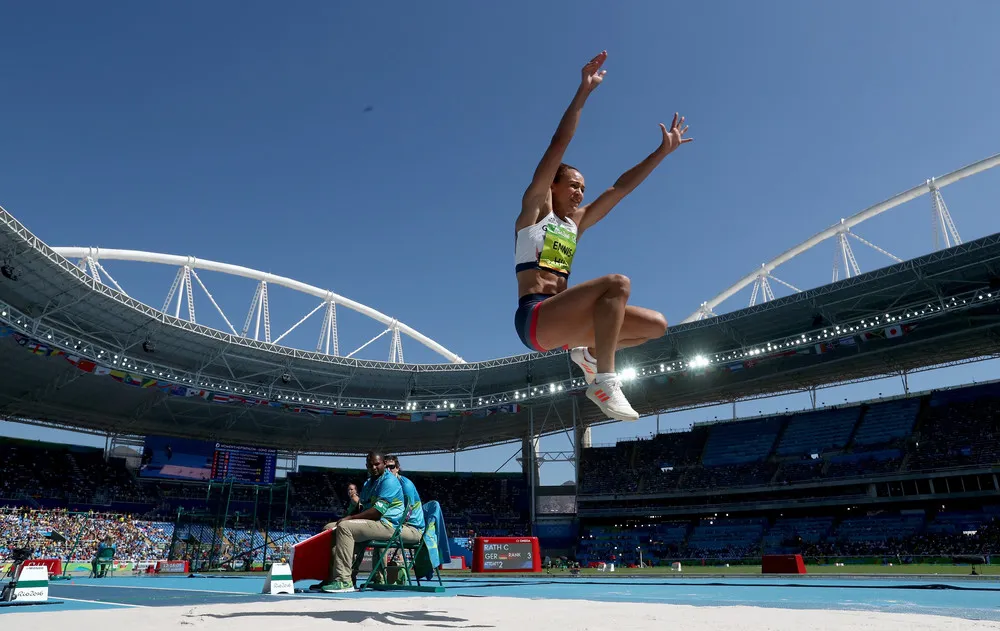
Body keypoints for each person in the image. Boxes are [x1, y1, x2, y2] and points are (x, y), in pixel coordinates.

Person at [513, 50, 691, 421]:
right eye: (573, 185)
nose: (580, 193)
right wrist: (584, 92)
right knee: (617, 284)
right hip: (536, 318)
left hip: (567, 321)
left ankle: (590, 355)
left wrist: (661, 153)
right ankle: (605, 381)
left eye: (583, 188)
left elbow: (619, 188)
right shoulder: (535, 212)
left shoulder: (575, 224)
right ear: (553, 186)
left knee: (656, 325)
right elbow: (558, 144)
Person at [321, 452, 405, 593]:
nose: (374, 467)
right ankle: (331, 577)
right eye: (371, 465)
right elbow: (364, 508)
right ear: (366, 466)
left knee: (345, 527)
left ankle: (344, 580)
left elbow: (377, 512)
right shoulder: (368, 483)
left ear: (384, 463)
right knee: (328, 528)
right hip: (372, 523)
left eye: (377, 464)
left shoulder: (389, 481)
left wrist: (350, 518)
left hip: (388, 525)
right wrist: (350, 516)